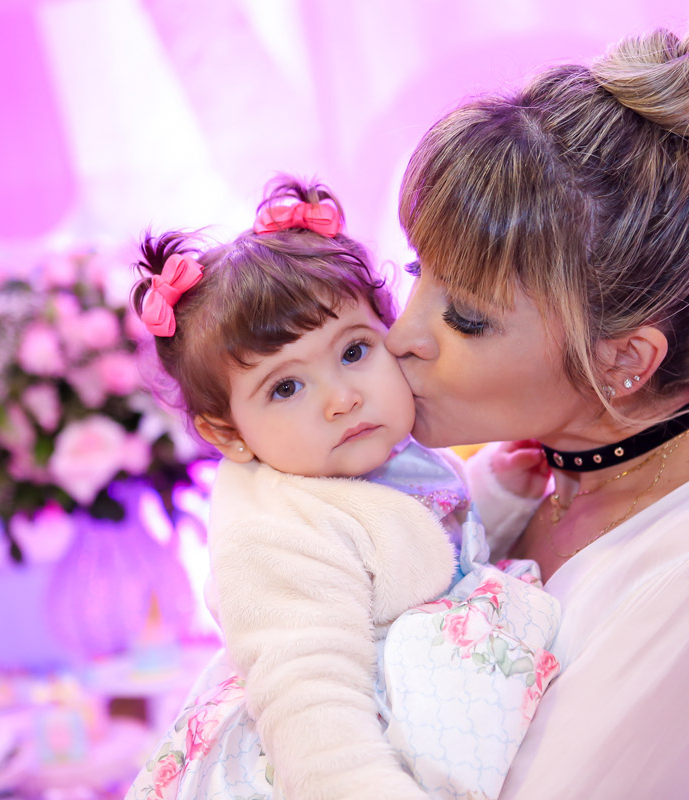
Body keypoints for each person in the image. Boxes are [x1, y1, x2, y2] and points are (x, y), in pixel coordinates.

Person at [384, 24, 689, 799]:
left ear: (623, 360)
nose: (401, 337)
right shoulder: (519, 485)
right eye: (414, 271)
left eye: (465, 318)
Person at [125, 177, 562, 800]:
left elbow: (427, 557)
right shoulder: (273, 539)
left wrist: (499, 494)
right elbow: (314, 717)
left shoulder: (384, 459)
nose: (342, 397)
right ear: (229, 434)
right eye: (286, 387)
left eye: (354, 351)